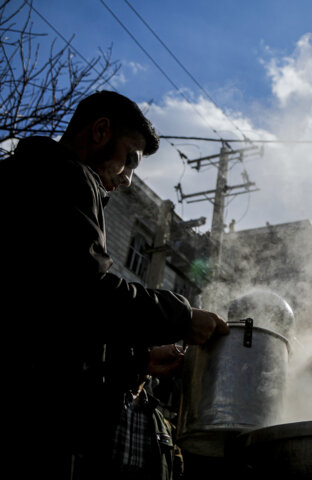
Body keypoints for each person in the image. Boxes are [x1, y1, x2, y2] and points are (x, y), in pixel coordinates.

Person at [0, 91, 229, 478]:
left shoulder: (24, 175)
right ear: (101, 130)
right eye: (131, 160)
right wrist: (182, 316)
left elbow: (55, 318)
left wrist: (139, 358)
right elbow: (87, 295)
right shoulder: (68, 176)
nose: (127, 180)